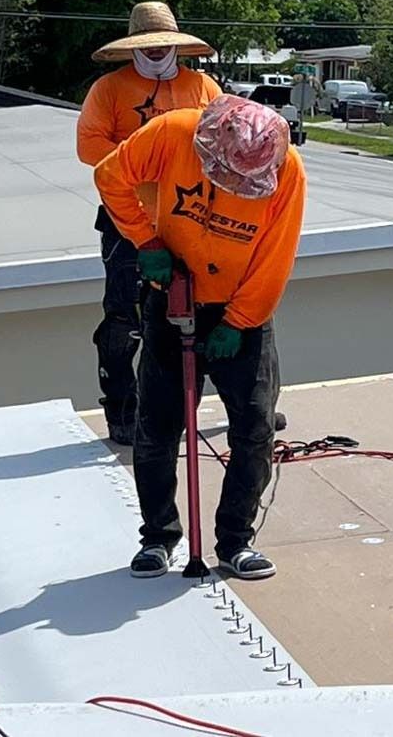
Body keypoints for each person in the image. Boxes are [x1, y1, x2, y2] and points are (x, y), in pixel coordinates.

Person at [94, 96, 306, 580]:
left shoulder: (286, 169)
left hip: (241, 314)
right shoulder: (172, 133)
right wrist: (145, 241)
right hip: (170, 298)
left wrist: (238, 321)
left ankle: (235, 542)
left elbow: (276, 255)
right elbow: (110, 178)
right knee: (158, 426)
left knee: (254, 428)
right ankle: (158, 539)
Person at [77, 1, 221, 445]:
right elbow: (89, 146)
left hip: (194, 217)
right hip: (128, 219)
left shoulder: (203, 86)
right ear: (133, 47)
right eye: (149, 45)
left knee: (212, 311)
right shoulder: (109, 89)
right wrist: (145, 162)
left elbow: (224, 138)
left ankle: (241, 408)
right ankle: (122, 410)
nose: (157, 52)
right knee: (124, 318)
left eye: (164, 44)